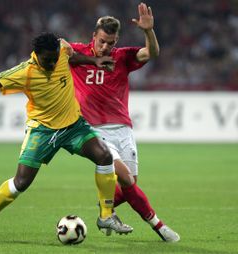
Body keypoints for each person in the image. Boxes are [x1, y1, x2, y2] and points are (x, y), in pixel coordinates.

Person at [0, 33, 133, 241]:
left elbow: (70, 57)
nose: (53, 62)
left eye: (55, 58)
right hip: (43, 130)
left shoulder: (61, 50)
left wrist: (94, 60)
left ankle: (106, 215)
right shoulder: (25, 72)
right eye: (48, 60)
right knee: (21, 182)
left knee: (104, 156)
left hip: (73, 125)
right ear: (37, 55)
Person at [69, 3, 180, 242]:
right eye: (102, 41)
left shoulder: (123, 57)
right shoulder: (78, 54)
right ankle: (159, 227)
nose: (106, 46)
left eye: (111, 42)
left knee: (130, 185)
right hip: (94, 131)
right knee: (127, 179)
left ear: (116, 40)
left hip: (123, 129)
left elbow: (152, 53)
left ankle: (104, 210)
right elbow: (57, 48)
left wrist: (148, 31)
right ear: (94, 36)